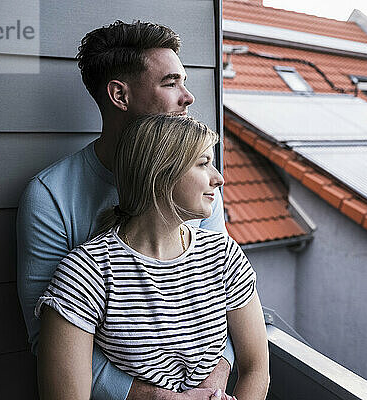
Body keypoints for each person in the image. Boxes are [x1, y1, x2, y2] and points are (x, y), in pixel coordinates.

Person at [17, 21, 235, 399]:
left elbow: (221, 298)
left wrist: (211, 389)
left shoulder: (196, 188)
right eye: (170, 83)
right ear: (120, 94)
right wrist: (164, 399)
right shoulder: (49, 197)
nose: (189, 98)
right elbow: (48, 339)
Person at [35, 114, 269, 399]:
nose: (218, 178)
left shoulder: (224, 255)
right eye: (203, 164)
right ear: (160, 174)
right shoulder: (85, 273)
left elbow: (257, 368)